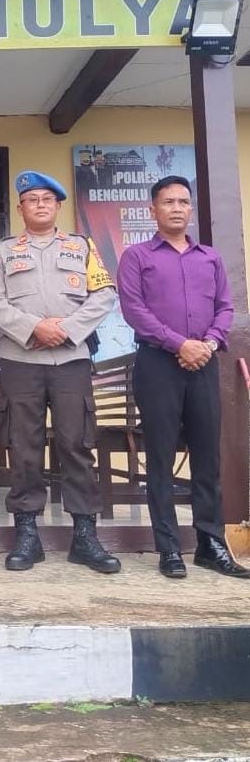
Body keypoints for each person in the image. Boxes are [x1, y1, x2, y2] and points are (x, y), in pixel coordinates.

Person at [0, 170, 120, 574]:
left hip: (71, 360)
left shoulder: (82, 246)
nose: (40, 205)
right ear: (21, 208)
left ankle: (85, 536)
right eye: (32, 199)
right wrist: (34, 328)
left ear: (58, 205)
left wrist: (67, 329)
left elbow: (104, 294)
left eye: (47, 199)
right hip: (21, 360)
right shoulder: (3, 251)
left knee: (76, 445)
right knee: (23, 447)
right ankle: (27, 535)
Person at [117, 175, 248, 579]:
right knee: (160, 457)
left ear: (191, 209)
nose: (177, 208)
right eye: (168, 202)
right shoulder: (136, 257)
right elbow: (134, 310)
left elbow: (226, 307)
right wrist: (179, 344)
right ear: (152, 210)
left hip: (204, 364)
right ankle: (169, 548)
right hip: (157, 365)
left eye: (183, 202)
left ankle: (210, 544)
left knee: (207, 457)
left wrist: (207, 343)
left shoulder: (209, 258)